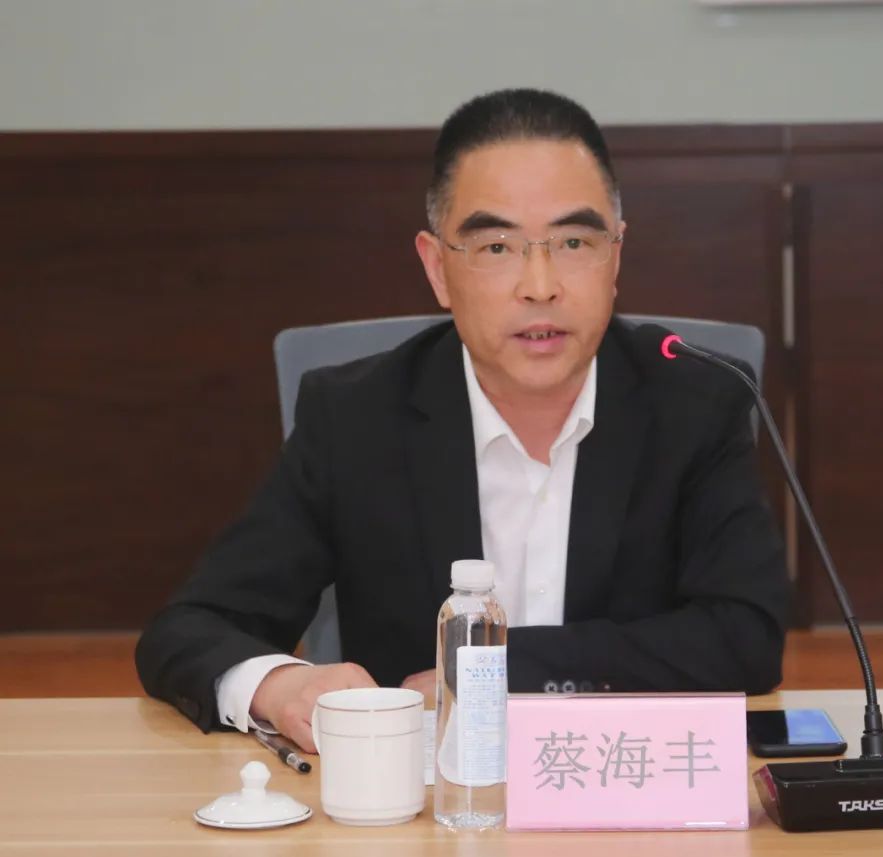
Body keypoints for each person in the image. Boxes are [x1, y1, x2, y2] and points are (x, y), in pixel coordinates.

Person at [136, 88, 790, 754]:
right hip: (421, 797)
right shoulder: (356, 419)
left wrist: (495, 672)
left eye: (573, 241)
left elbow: (745, 637)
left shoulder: (698, 403)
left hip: (619, 779)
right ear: (438, 268)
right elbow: (190, 627)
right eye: (497, 247)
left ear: (615, 257)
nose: (540, 285)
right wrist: (279, 685)